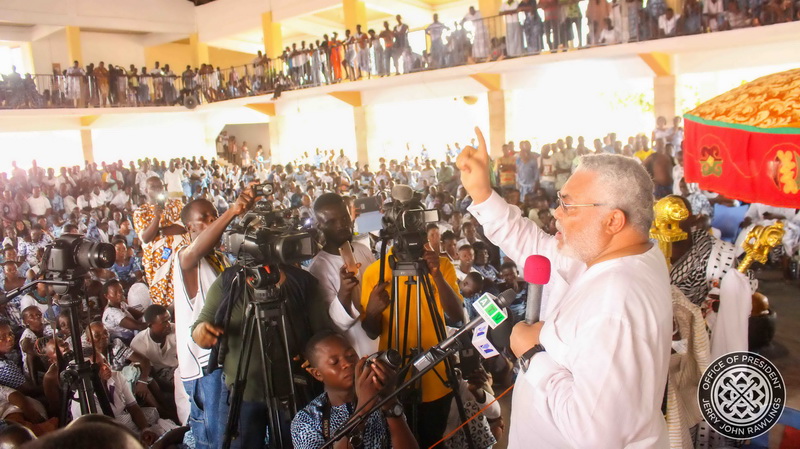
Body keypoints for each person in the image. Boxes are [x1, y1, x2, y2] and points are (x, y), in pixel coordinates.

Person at [456, 128, 671, 447]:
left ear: (613, 221)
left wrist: (530, 354)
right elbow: (528, 241)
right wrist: (482, 194)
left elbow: (597, 435)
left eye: (569, 206)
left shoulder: (616, 303)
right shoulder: (599, 255)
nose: (556, 214)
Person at [191, 249, 330, 448]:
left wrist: (315, 354)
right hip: (242, 392)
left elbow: (322, 334)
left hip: (292, 391)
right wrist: (201, 332)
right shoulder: (230, 281)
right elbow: (199, 327)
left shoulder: (303, 282)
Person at [359, 227, 463, 448]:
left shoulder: (441, 265)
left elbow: (457, 315)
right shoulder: (375, 272)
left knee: (433, 440)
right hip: (394, 377)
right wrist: (372, 312)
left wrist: (435, 275)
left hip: (436, 374)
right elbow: (370, 331)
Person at [172, 190, 255, 449]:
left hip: (225, 357)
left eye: (214, 216)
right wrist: (231, 212)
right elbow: (195, 250)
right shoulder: (184, 257)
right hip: (203, 366)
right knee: (213, 439)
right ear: (189, 227)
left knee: (231, 436)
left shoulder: (219, 257)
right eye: (204, 218)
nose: (211, 221)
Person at [291, 331, 418, 449]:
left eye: (351, 355)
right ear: (317, 374)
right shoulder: (307, 419)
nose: (347, 363)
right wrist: (364, 407)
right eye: (335, 362)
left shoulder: (379, 400)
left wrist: (389, 400)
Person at [308, 193, 377, 356]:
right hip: (357, 349)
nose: (341, 225)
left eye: (345, 218)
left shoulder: (363, 249)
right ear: (319, 225)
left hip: (384, 337)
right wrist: (345, 291)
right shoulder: (318, 268)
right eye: (331, 222)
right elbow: (333, 325)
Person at [132, 177, 186, 307]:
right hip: (156, 265)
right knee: (162, 304)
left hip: (178, 259)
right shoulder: (141, 212)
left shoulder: (177, 205)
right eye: (153, 187)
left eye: (160, 186)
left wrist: (158, 231)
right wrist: (157, 217)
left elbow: (184, 227)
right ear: (145, 190)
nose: (158, 189)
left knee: (183, 298)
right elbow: (145, 237)